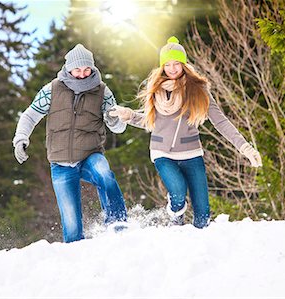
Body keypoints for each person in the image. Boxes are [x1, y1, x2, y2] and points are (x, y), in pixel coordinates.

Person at [109, 36, 262, 228]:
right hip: (162, 153)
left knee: (203, 214)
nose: (172, 68)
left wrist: (245, 148)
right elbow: (149, 121)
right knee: (178, 193)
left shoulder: (198, 90)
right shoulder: (156, 90)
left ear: (184, 64)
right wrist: (129, 115)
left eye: (177, 63)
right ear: (162, 66)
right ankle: (176, 221)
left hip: (191, 154)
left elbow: (220, 121)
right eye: (168, 64)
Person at [13, 44, 128, 243]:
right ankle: (77, 259)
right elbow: (30, 115)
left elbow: (118, 127)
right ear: (68, 69)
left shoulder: (102, 91)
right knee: (72, 227)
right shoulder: (52, 89)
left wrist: (114, 121)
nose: (82, 74)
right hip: (61, 162)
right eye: (77, 70)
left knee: (104, 173)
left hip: (90, 154)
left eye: (86, 70)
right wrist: (21, 139)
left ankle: (118, 224)